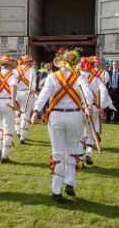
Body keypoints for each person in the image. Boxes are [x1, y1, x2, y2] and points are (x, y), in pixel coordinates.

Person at [30, 49, 93, 202]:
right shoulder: (80, 77)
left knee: (57, 153)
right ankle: (70, 182)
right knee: (72, 150)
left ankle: (56, 191)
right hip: (75, 116)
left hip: (56, 116)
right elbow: (88, 93)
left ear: (61, 62)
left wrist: (36, 110)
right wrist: (88, 106)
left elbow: (44, 94)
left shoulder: (52, 77)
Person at [82, 55, 111, 165]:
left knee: (80, 132)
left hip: (80, 108)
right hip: (94, 107)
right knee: (91, 131)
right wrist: (101, 107)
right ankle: (88, 153)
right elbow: (104, 92)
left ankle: (80, 155)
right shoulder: (100, 77)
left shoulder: (77, 78)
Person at [14, 55, 38, 144]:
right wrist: (32, 89)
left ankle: (17, 131)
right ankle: (22, 137)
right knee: (25, 114)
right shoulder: (31, 70)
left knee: (17, 112)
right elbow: (33, 81)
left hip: (17, 92)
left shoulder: (16, 69)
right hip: (27, 92)